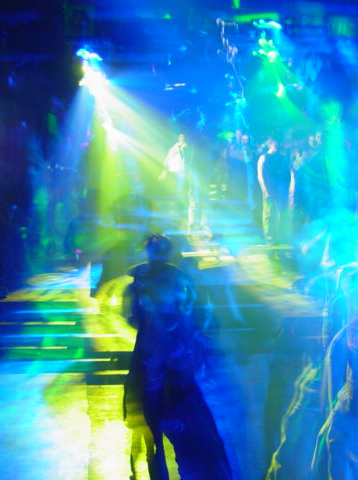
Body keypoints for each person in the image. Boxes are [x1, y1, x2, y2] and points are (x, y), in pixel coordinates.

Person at [124, 233, 232, 480]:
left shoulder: (138, 282)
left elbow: (132, 317)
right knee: (190, 443)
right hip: (176, 367)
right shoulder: (178, 280)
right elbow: (196, 316)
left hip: (151, 366)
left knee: (153, 440)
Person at [257, 134, 294, 244]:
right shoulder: (264, 158)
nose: (277, 147)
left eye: (278, 145)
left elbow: (286, 173)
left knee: (281, 212)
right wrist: (265, 190)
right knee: (269, 213)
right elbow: (260, 175)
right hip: (269, 188)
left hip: (280, 189)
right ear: (270, 144)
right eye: (275, 145)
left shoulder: (281, 158)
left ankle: (279, 235)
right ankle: (269, 236)